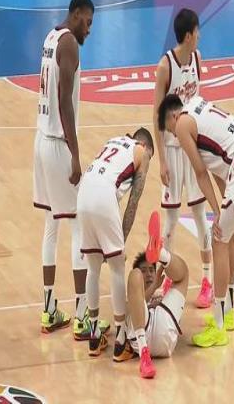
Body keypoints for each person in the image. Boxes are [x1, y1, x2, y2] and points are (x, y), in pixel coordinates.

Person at [158, 94, 234, 347]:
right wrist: (222, 207)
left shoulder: (183, 125)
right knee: (229, 235)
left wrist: (217, 211)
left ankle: (218, 326)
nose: (175, 137)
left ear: (173, 116)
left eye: (171, 131)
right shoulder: (197, 104)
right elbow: (219, 166)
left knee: (219, 239)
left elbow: (200, 173)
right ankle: (228, 313)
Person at [33, 0, 108, 337]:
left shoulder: (50, 37)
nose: (89, 30)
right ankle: (82, 316)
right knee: (78, 224)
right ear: (76, 13)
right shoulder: (69, 44)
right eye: (88, 22)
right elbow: (64, 100)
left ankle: (49, 309)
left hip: (40, 140)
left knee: (52, 224)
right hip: (58, 144)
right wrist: (76, 153)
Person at [153, 8, 213, 309]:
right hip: (173, 150)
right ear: (188, 35)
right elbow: (157, 115)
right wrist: (162, 160)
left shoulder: (198, 59)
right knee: (172, 218)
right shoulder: (166, 66)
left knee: (201, 214)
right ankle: (167, 275)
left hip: (193, 149)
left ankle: (207, 280)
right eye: (197, 31)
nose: (199, 35)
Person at [77, 128, 154, 360]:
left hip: (83, 194)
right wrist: (121, 241)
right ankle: (121, 341)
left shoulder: (113, 141)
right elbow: (133, 203)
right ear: (146, 146)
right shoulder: (142, 152)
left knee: (92, 268)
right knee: (117, 268)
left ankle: (94, 336)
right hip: (103, 196)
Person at [125, 211, 189, 379]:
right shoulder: (133, 291)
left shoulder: (163, 291)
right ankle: (144, 355)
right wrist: (153, 287)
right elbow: (130, 308)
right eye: (144, 270)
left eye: (151, 270)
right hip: (142, 334)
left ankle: (160, 254)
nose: (148, 274)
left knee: (183, 275)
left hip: (164, 328)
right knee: (133, 276)